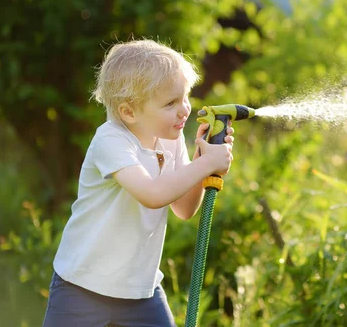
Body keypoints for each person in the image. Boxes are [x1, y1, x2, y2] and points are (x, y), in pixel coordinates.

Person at [42, 39, 234, 327]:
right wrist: (206, 164)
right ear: (129, 112)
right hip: (82, 289)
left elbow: (184, 208)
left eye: (184, 97)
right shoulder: (111, 140)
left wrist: (200, 159)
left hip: (140, 292)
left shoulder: (171, 139)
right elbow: (152, 194)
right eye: (170, 103)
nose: (184, 110)